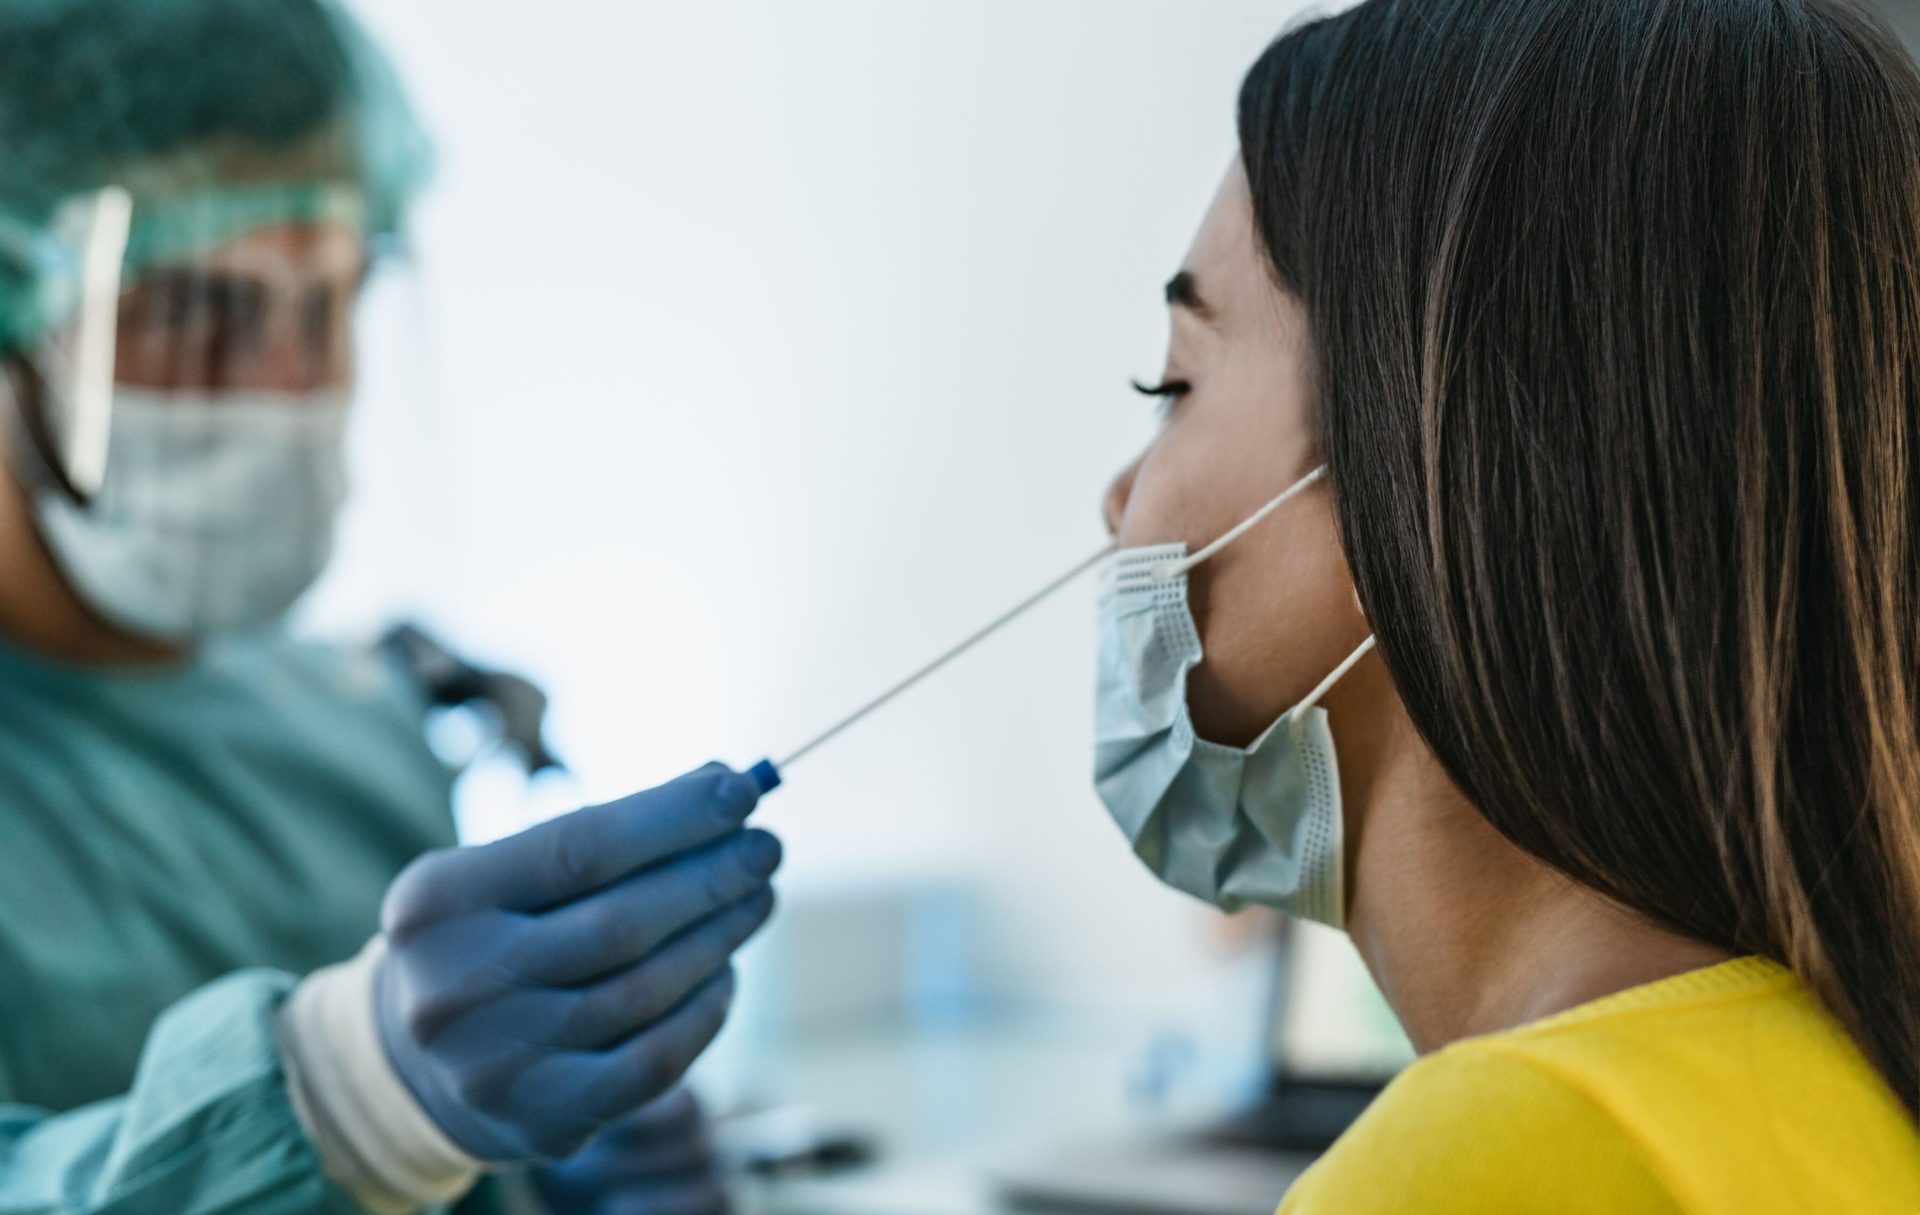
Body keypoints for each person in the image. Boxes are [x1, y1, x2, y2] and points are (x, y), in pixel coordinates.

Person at [1091, 0, 1920, 1209]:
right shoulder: (1846, 1068)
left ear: (1420, 467)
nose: (1120, 499)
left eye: (1175, 381)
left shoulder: (1494, 1164)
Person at [0, 2, 778, 1212]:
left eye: (329, 305)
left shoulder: (351, 729)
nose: (292, 389)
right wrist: (345, 1106)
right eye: (203, 314)